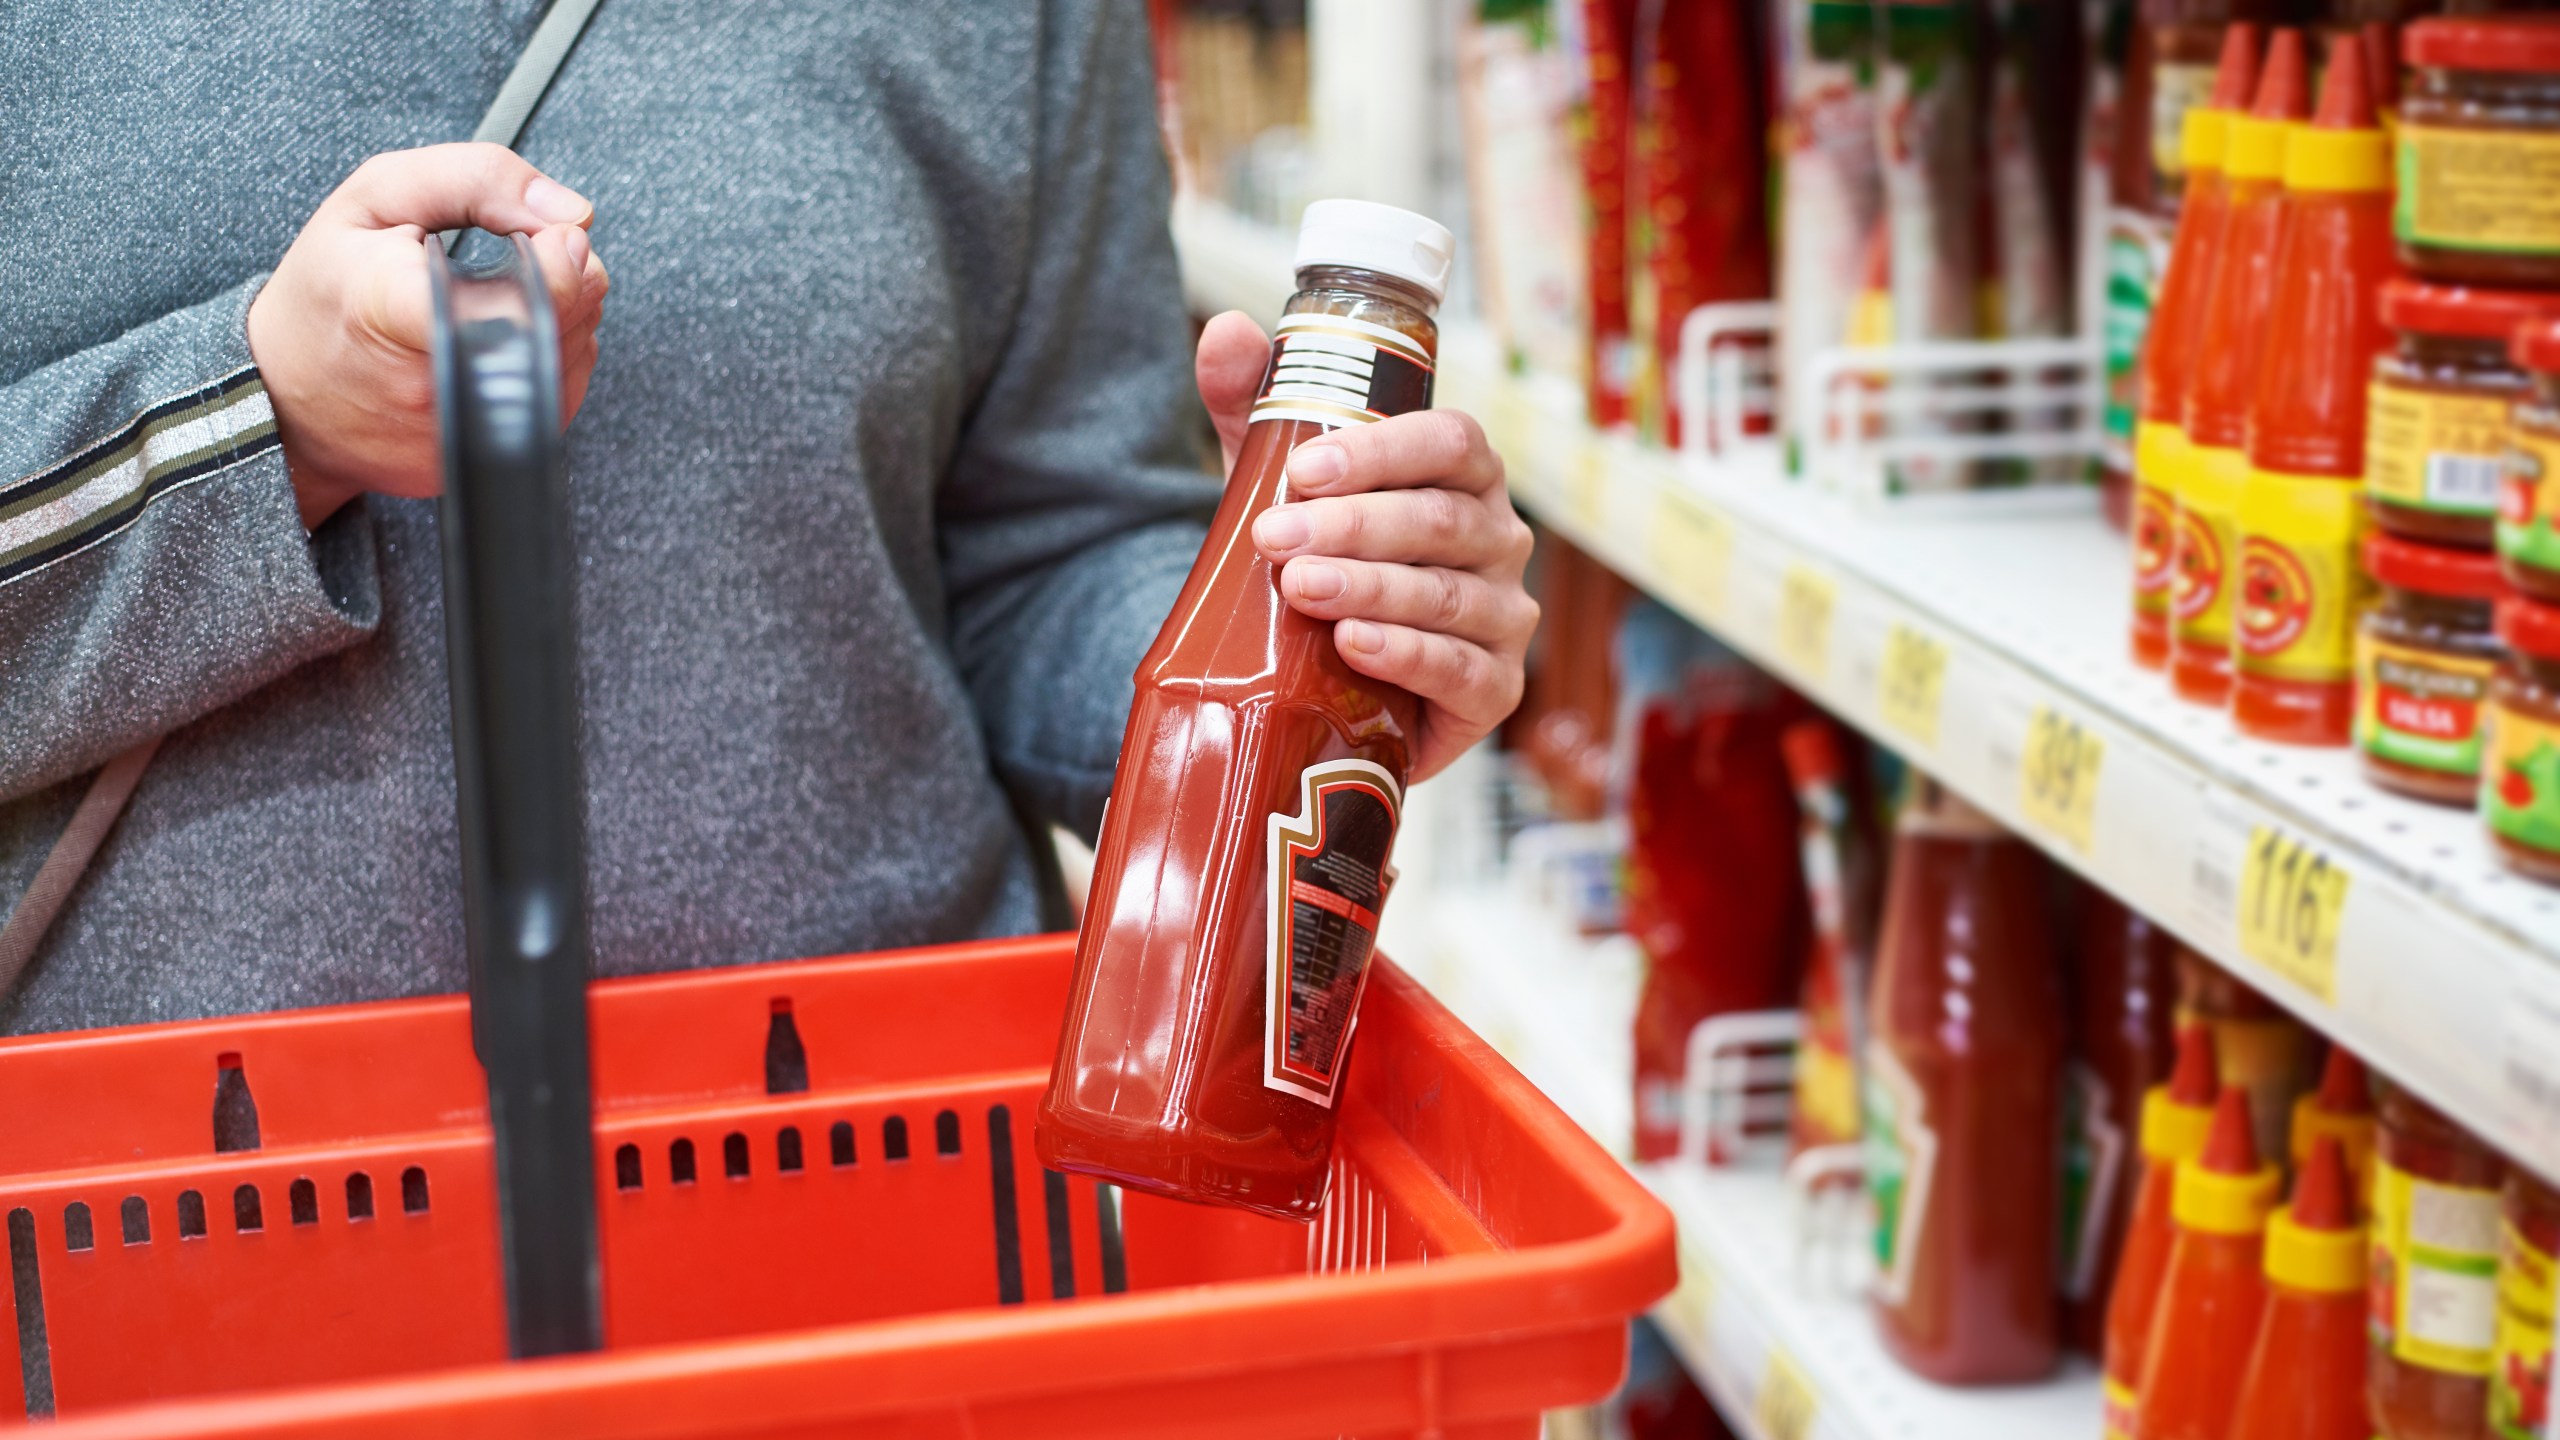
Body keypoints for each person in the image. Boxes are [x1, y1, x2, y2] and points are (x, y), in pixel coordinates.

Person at [0, 1, 1536, 1035]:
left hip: (892, 1183)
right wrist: (249, 426)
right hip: (181, 1220)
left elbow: (1040, 548)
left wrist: (1314, 645)